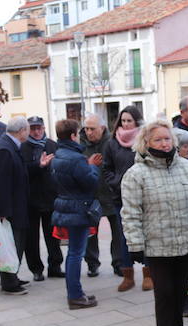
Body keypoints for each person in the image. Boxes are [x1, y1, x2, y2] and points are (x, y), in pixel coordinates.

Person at [121, 120, 188, 326]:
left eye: (167, 138)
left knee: (181, 291)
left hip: (185, 240)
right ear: (146, 143)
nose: (164, 143)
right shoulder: (136, 174)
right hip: (157, 245)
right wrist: (135, 245)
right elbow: (131, 212)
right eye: (158, 139)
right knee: (164, 292)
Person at [50, 119, 102, 310]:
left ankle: (76, 293)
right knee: (75, 253)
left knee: (73, 252)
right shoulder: (76, 158)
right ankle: (75, 295)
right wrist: (92, 166)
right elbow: (90, 182)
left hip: (66, 206)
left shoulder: (58, 156)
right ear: (73, 135)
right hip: (78, 209)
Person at [0, 117, 32, 295]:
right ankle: (9, 282)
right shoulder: (4, 149)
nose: (29, 132)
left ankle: (13, 276)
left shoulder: (8, 146)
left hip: (14, 207)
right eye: (28, 129)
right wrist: (2, 211)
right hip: (9, 211)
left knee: (14, 244)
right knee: (11, 244)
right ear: (22, 130)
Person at [82, 113, 131, 287]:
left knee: (117, 231)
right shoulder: (81, 145)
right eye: (86, 128)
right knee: (91, 232)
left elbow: (117, 164)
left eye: (92, 129)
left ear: (102, 128)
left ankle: (118, 263)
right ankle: (92, 263)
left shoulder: (112, 143)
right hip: (90, 194)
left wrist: (114, 182)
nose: (88, 132)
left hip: (111, 193)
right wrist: (87, 164)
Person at [103, 105, 145, 286]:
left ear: (136, 121)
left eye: (130, 120)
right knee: (123, 235)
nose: (126, 124)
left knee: (146, 234)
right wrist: (115, 183)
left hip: (143, 197)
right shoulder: (112, 143)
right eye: (123, 120)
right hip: (120, 197)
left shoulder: (144, 140)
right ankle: (128, 275)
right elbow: (106, 168)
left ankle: (148, 273)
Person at [21, 116, 61, 281]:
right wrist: (38, 166)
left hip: (50, 198)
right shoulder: (23, 147)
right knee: (31, 238)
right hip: (30, 199)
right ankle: (36, 269)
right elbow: (21, 172)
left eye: (39, 128)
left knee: (53, 236)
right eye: (33, 128)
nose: (37, 131)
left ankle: (55, 266)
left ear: (44, 128)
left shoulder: (52, 145)